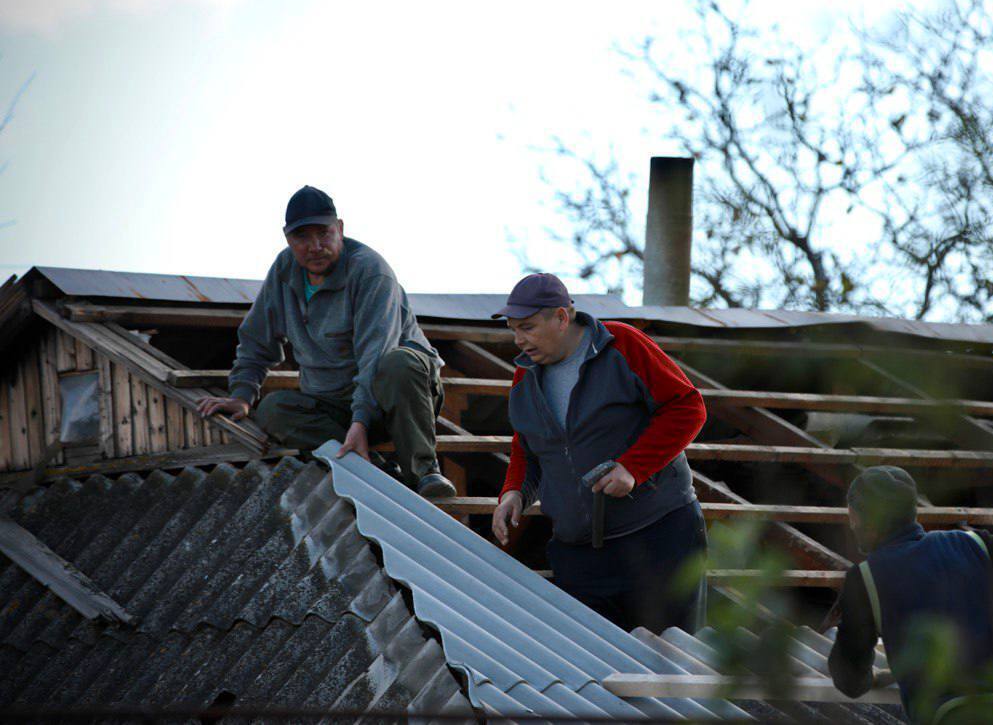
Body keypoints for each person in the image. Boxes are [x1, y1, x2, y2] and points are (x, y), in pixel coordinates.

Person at [196, 185, 455, 498]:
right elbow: (256, 340)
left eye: (323, 233)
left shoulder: (371, 271)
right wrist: (242, 394)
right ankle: (376, 469)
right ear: (288, 239)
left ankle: (424, 473)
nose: (315, 246)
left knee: (398, 363)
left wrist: (361, 420)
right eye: (302, 237)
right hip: (334, 405)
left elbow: (376, 353)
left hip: (395, 399)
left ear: (340, 229)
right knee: (273, 409)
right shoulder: (283, 271)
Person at [490, 273, 708, 633]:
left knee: (671, 661)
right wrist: (514, 490)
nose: (519, 340)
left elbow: (688, 407)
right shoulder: (525, 375)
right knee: (593, 668)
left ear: (561, 317)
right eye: (514, 329)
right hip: (579, 554)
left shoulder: (622, 344)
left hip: (658, 538)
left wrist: (633, 468)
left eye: (527, 327)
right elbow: (527, 444)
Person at [828, 466, 993, 725]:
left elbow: (850, 683)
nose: (852, 525)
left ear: (865, 519)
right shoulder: (974, 544)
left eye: (853, 517)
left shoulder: (867, 577)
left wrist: (867, 671)